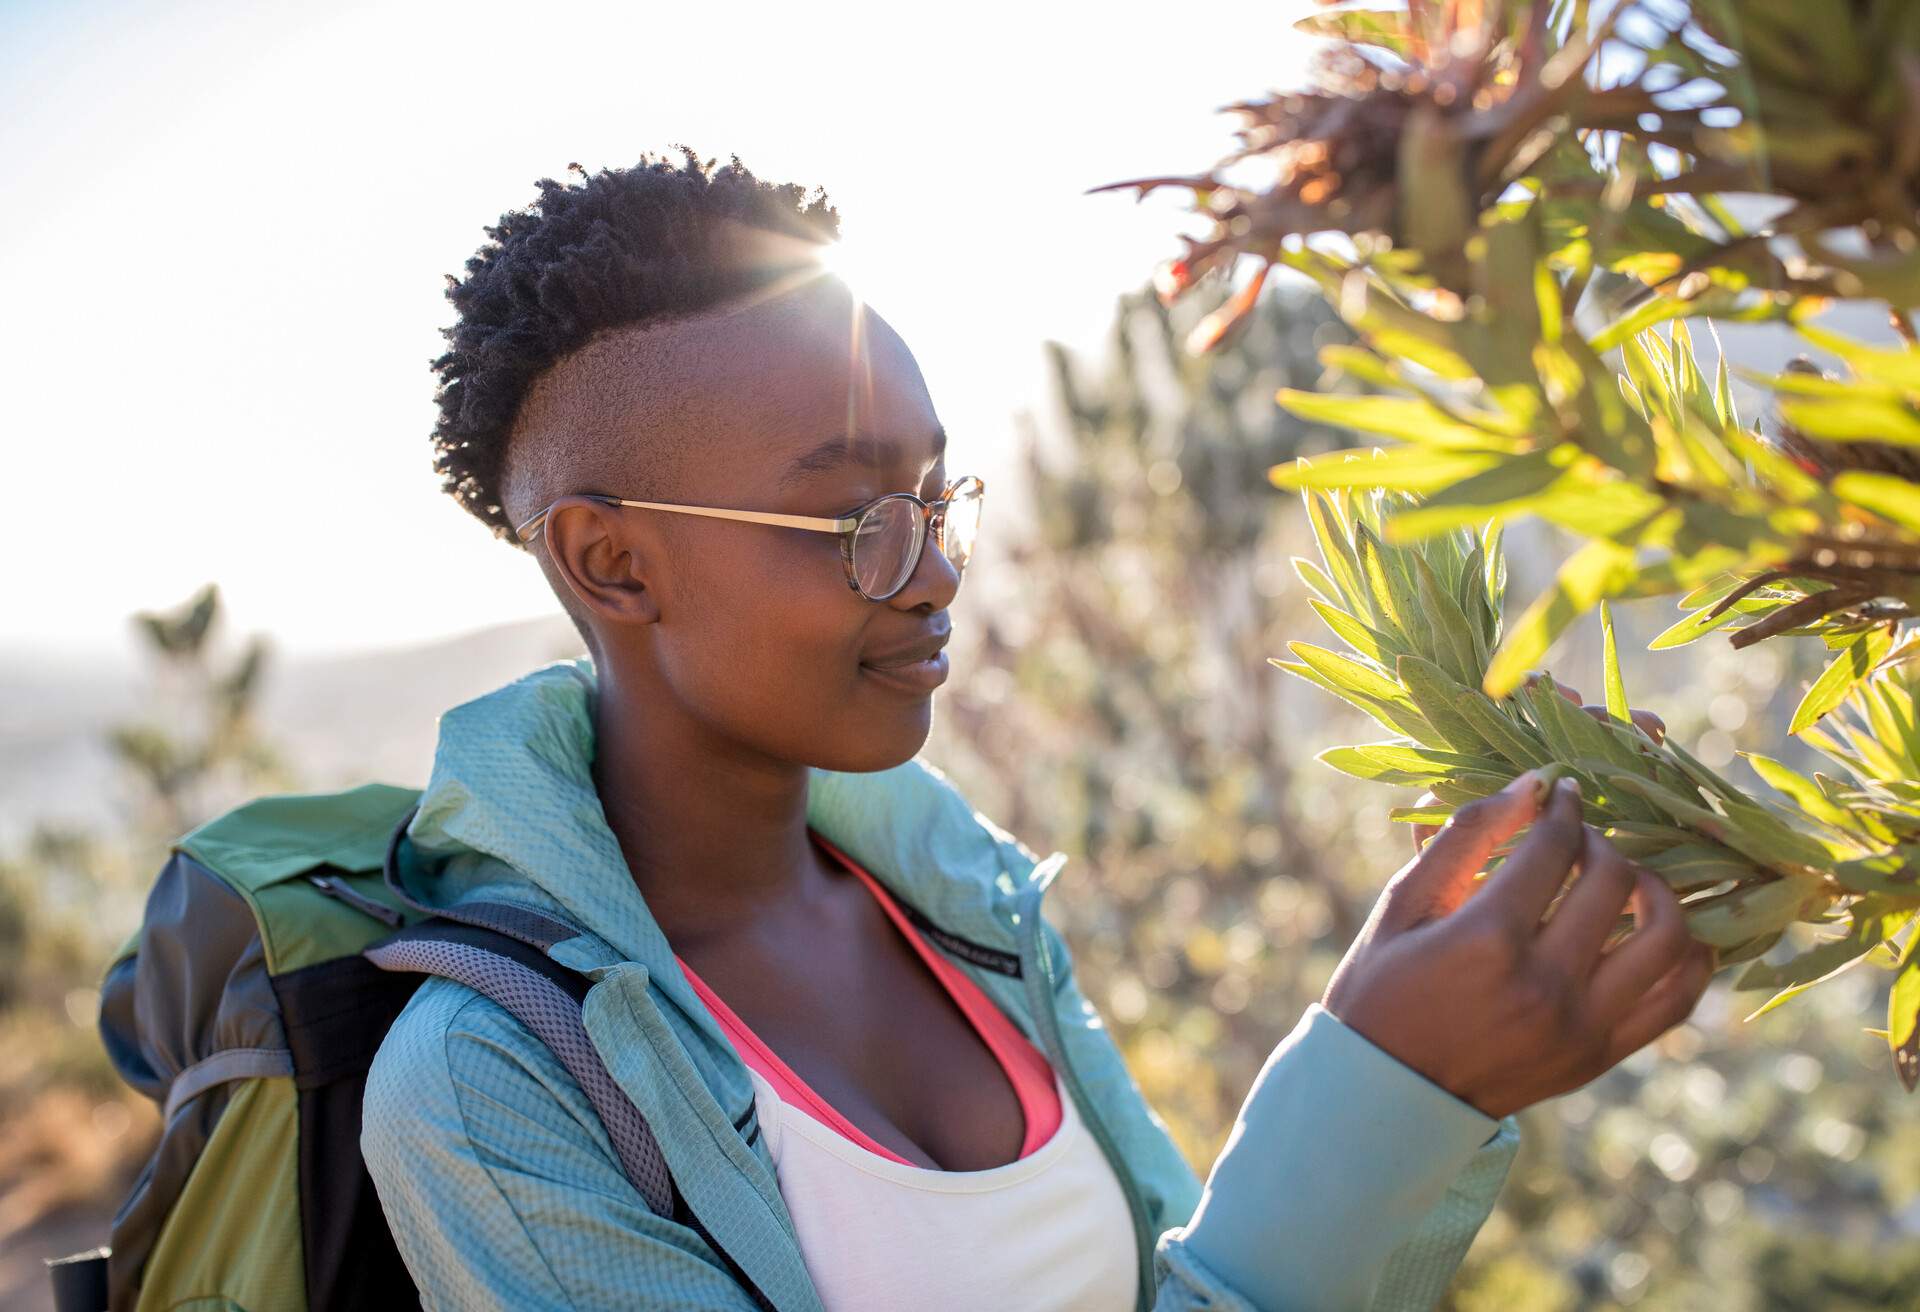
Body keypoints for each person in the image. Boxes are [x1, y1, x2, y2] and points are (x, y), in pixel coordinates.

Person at [360, 147, 1717, 1311]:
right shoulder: (492, 1093)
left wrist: (1432, 1042)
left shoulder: (966, 900)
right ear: (613, 566)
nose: (938, 570)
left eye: (937, 500)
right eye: (855, 525)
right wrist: (1385, 1094)